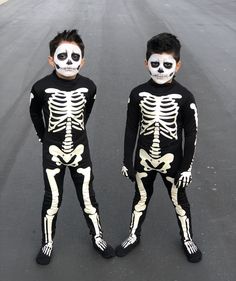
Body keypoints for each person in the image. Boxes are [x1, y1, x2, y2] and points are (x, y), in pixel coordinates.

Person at [29, 29, 114, 265]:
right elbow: (35, 113)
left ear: (83, 61)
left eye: (75, 57)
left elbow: (84, 114)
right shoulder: (40, 87)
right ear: (51, 59)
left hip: (79, 150)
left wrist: (74, 132)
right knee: (52, 198)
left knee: (88, 197)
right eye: (62, 56)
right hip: (53, 152)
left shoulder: (89, 87)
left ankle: (97, 237)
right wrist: (43, 137)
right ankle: (47, 243)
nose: (68, 62)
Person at [116, 33, 202, 263]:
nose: (161, 69)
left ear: (178, 65)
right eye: (155, 64)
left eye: (167, 64)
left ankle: (187, 238)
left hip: (172, 160)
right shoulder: (137, 94)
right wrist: (127, 161)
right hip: (144, 158)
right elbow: (131, 130)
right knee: (140, 197)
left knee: (178, 199)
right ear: (146, 64)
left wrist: (187, 168)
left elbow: (191, 134)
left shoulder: (185, 97)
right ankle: (134, 235)